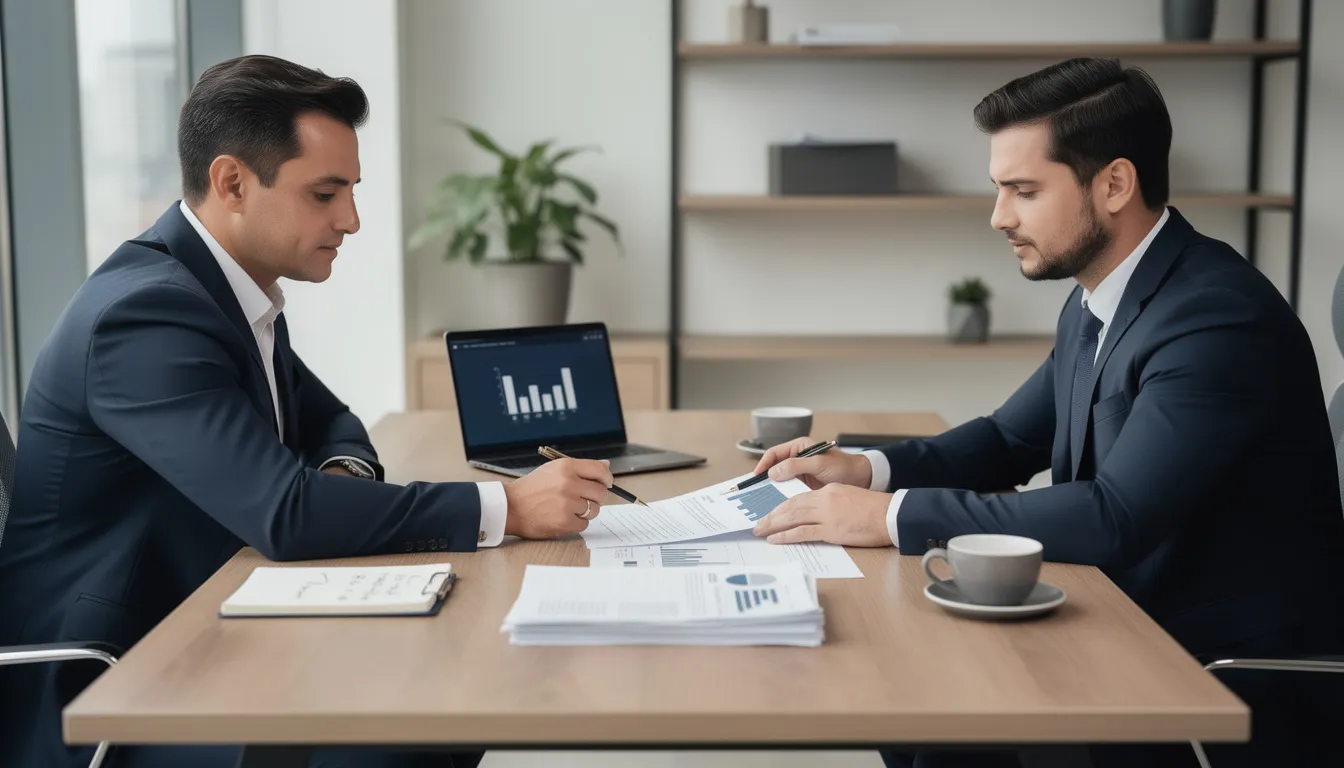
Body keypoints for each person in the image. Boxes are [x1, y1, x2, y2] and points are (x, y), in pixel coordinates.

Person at [0, 55, 613, 768]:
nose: (350, 219)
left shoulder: (226, 291)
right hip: (111, 690)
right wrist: (507, 506)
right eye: (324, 194)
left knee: (445, 689)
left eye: (350, 191)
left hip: (204, 630)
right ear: (232, 182)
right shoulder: (145, 317)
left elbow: (329, 420)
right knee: (427, 718)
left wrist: (345, 474)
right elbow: (286, 514)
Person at [751, 58, 1344, 767]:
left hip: (1212, 681)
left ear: (1115, 183)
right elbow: (1008, 438)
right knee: (915, 698)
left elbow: (1113, 516)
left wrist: (885, 518)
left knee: (938, 713)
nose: (999, 217)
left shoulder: (1215, 318)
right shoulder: (1101, 296)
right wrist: (867, 468)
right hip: (1125, 630)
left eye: (1023, 191)